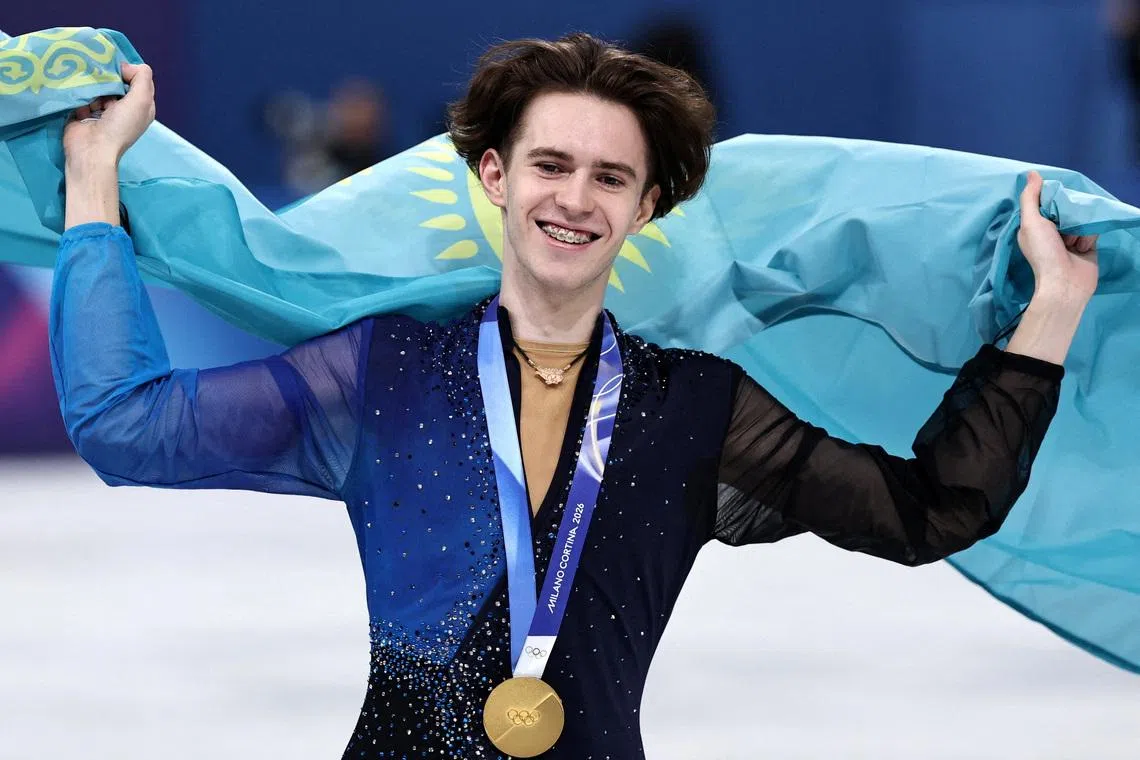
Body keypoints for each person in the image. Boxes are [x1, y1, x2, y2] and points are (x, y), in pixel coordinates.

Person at [55, 33, 1097, 759]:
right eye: (551, 164)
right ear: (496, 178)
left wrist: (1049, 312)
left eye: (611, 177)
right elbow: (128, 425)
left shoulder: (699, 401)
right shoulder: (383, 370)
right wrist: (95, 181)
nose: (575, 198)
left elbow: (926, 512)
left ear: (649, 206)